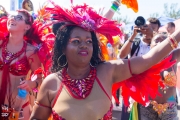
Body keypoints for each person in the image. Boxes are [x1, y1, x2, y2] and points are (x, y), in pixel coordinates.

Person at [30, 1, 180, 120]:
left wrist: (177, 35)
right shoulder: (51, 83)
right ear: (63, 47)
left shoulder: (108, 71)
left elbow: (150, 58)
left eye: (89, 41)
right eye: (76, 41)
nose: (84, 45)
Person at [0, 9, 49, 120]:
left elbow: (40, 78)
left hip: (17, 109)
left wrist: (32, 83)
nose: (12, 18)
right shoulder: (0, 44)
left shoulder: (30, 51)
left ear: (27, 27)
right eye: (11, 16)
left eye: (18, 17)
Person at [139, 33, 179, 120]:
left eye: (163, 41)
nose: (159, 43)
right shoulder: (143, 60)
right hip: (147, 107)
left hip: (170, 107)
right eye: (156, 41)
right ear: (150, 45)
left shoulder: (174, 57)